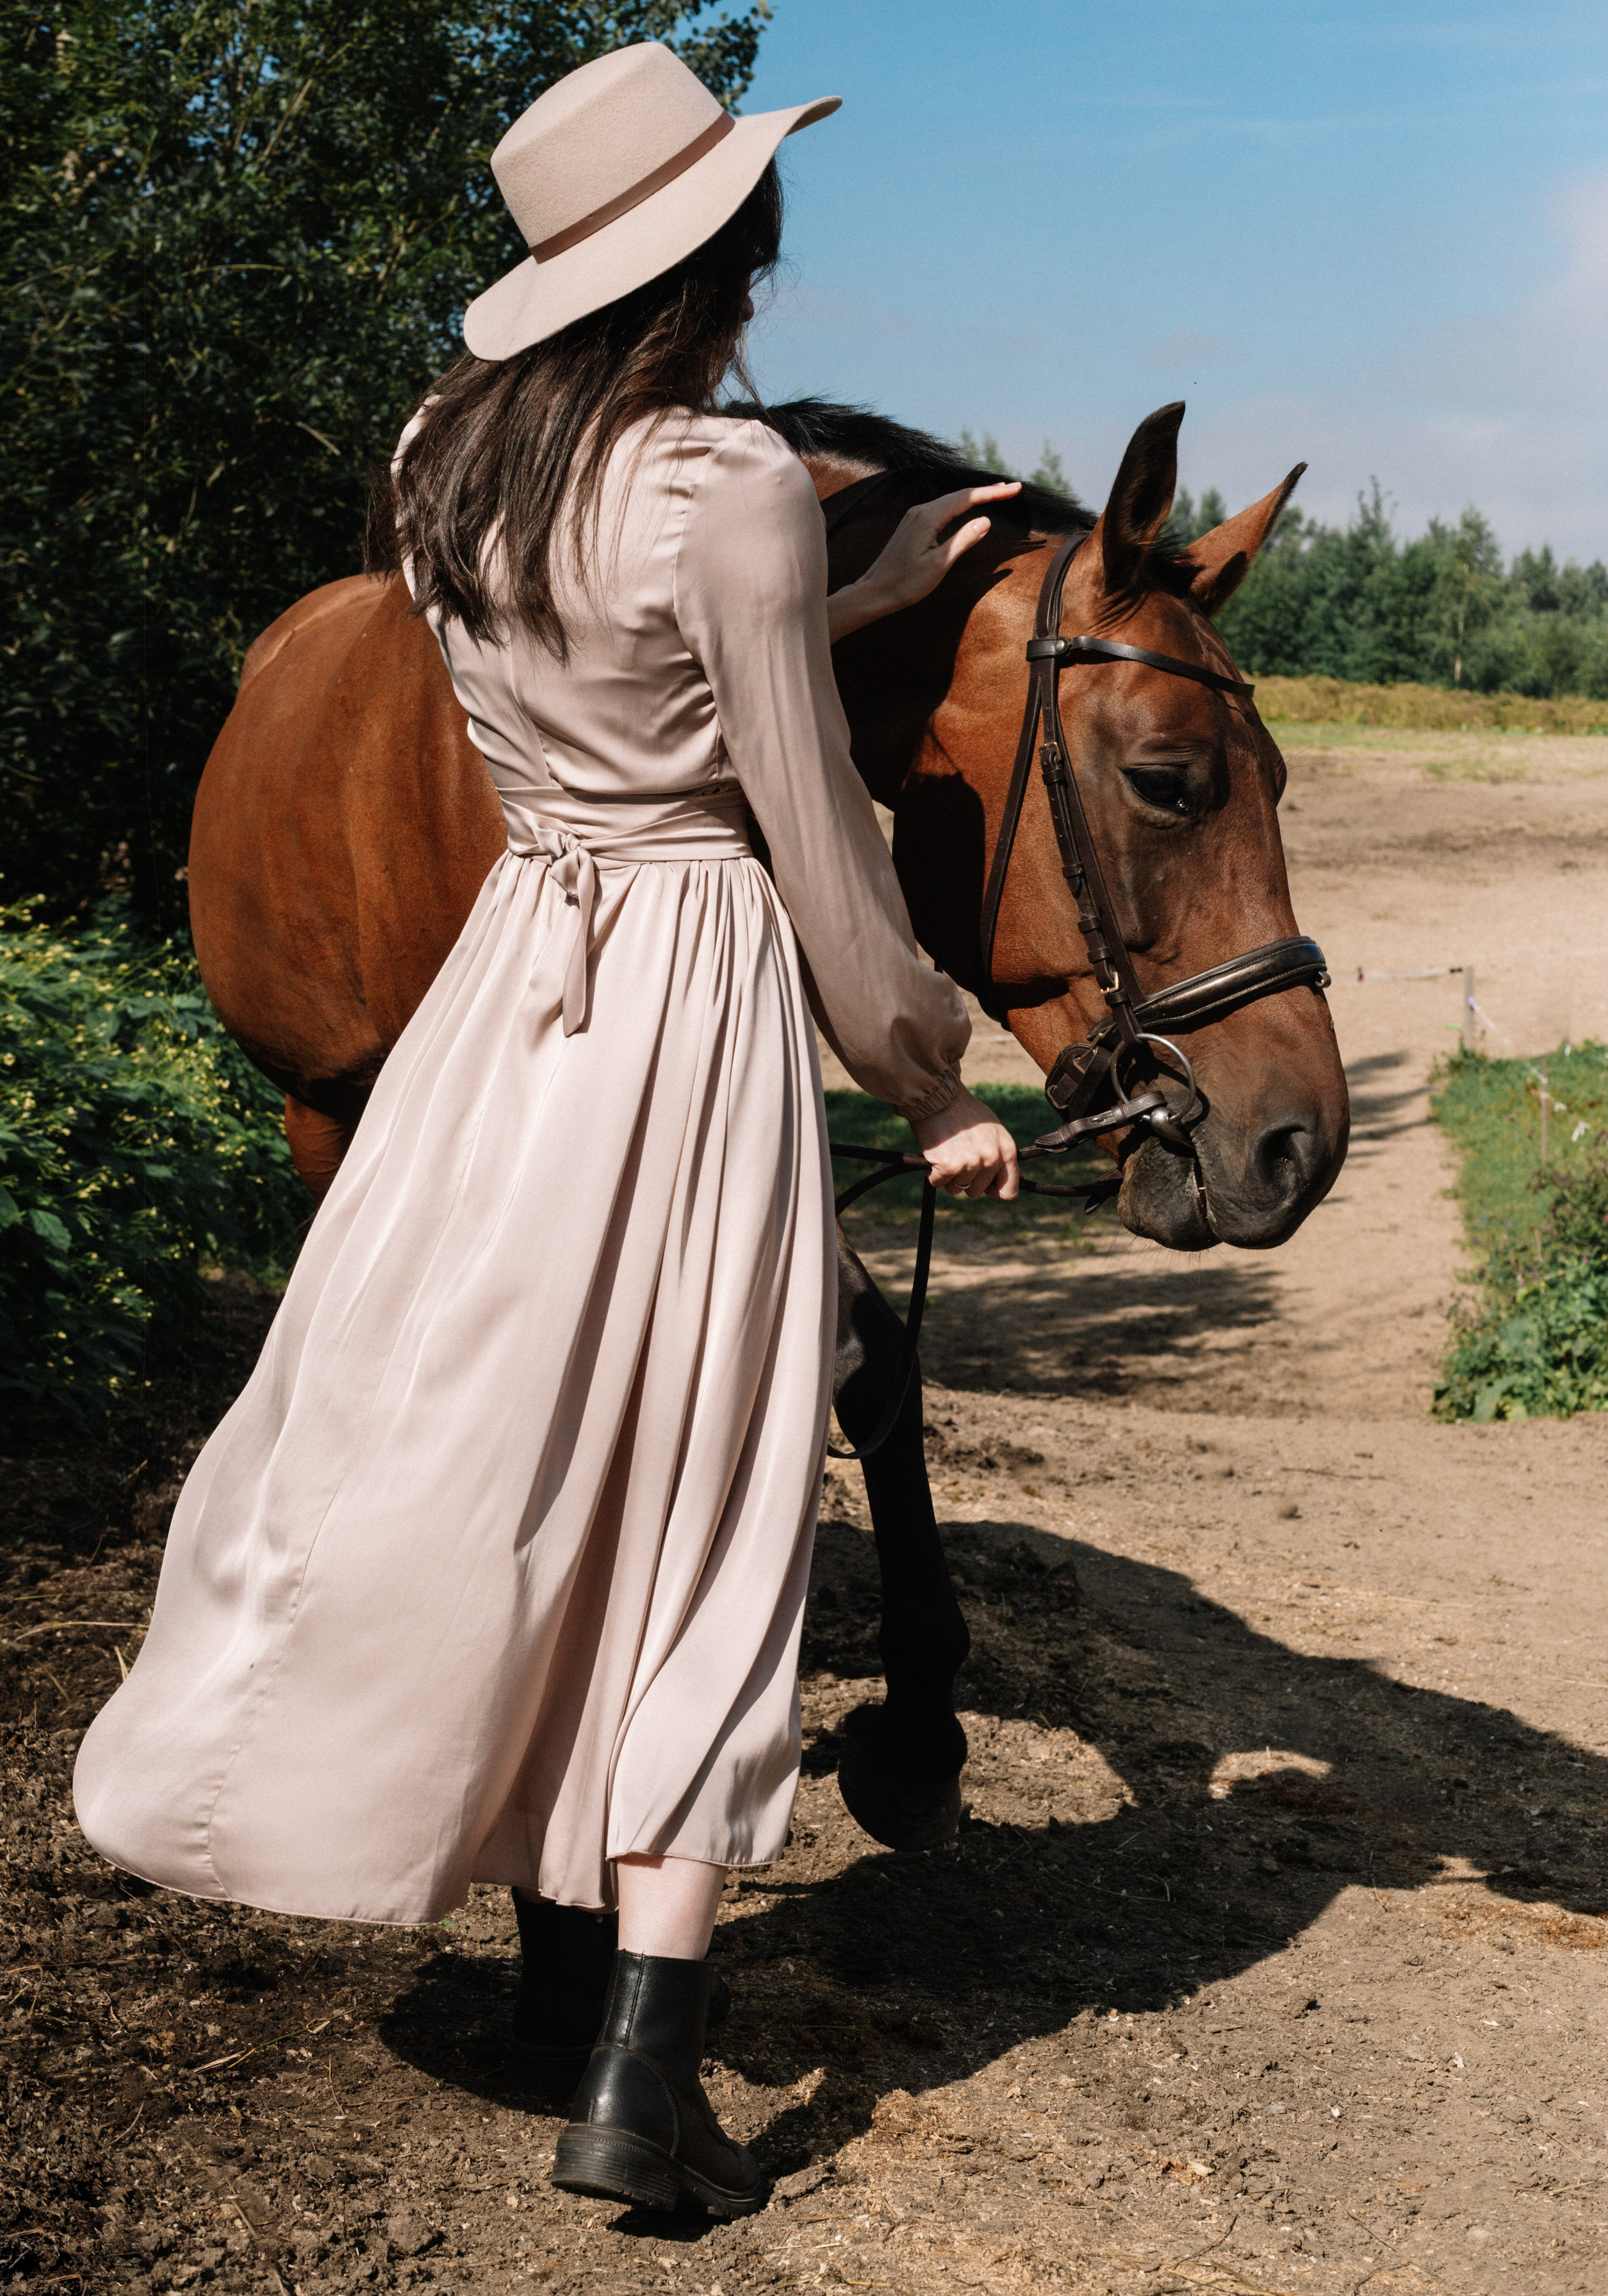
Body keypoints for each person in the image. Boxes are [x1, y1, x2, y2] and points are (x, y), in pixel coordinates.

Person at [72, 40, 1021, 2219]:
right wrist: (931, 1081)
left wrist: (842, 607)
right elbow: (807, 841)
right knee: (701, 1507)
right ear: (730, 247)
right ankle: (640, 2079)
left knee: (493, 1444)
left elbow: (613, 674)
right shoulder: (737, 480)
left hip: (519, 984)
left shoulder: (440, 460)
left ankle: (519, 1957)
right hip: (687, 994)